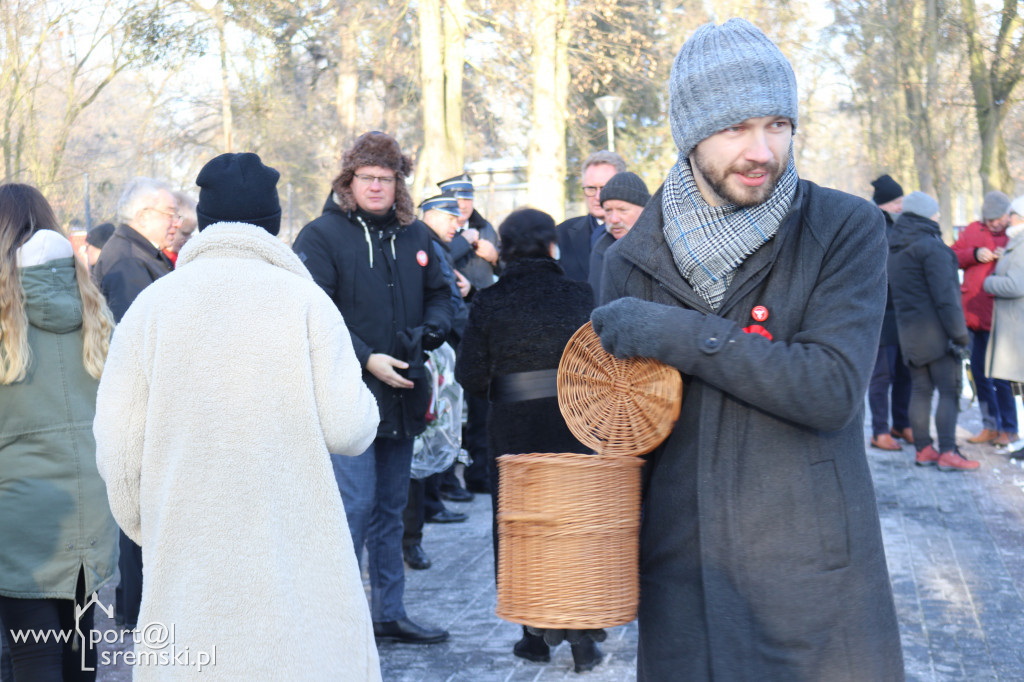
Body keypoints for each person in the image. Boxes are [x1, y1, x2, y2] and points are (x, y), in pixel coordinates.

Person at [589, 19, 904, 680]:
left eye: (778, 125)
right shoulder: (630, 260)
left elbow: (830, 388)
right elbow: (628, 433)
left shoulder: (844, 228)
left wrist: (675, 334)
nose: (762, 150)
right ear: (692, 132)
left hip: (813, 584)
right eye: (736, 129)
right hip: (685, 582)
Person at [93, 153, 383, 679]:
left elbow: (116, 439)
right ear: (272, 225)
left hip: (188, 543)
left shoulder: (154, 306)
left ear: (204, 219)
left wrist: (148, 523)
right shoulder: (308, 302)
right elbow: (350, 428)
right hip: (294, 545)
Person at [292, 131, 453, 644]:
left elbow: (442, 295)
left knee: (390, 508)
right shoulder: (321, 236)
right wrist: (366, 358)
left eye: (387, 178)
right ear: (349, 180)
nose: (378, 187)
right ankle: (336, 621)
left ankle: (389, 612)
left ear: (399, 182)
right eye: (368, 178)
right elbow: (315, 312)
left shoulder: (415, 236)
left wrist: (430, 332)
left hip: (403, 389)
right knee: (352, 507)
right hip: (347, 393)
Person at [454, 208, 599, 672]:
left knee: (521, 527)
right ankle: (583, 636)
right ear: (551, 245)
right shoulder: (580, 295)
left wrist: (507, 394)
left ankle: (532, 635)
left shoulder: (490, 303)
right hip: (574, 423)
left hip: (515, 429)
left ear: (508, 249)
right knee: (574, 525)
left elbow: (470, 373)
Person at [0, 183, 119, 681]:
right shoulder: (96, 310)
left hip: (20, 511)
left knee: (32, 654)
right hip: (91, 506)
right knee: (81, 647)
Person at [90, 177, 179, 631]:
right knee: (139, 513)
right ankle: (138, 610)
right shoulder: (127, 261)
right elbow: (140, 338)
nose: (176, 222)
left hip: (146, 403)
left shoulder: (140, 254)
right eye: (170, 214)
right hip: (142, 406)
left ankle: (140, 607)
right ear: (143, 216)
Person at [402, 194, 470, 571]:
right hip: (404, 355)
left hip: (432, 353)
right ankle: (408, 535)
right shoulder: (420, 241)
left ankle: (413, 536)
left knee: (425, 443)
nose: (456, 225)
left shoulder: (432, 245)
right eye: (450, 217)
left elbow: (443, 298)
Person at [887, 192, 978, 470]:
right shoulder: (932, 247)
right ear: (927, 215)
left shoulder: (896, 247)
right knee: (949, 392)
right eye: (936, 212)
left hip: (909, 333)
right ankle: (948, 451)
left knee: (921, 390)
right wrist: (960, 335)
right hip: (938, 334)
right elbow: (946, 297)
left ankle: (924, 449)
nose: (938, 216)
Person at [437, 172, 498, 497]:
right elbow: (441, 255)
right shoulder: (438, 229)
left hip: (481, 325)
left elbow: (502, 273)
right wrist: (465, 241)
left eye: (468, 200)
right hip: (449, 330)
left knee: (480, 403)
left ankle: (478, 472)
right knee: (447, 404)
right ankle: (446, 477)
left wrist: (494, 256)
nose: (463, 206)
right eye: (457, 201)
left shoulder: (487, 228)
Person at [953, 190, 1019, 446]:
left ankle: (1009, 427)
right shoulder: (972, 230)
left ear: (1007, 214)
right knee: (979, 374)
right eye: (989, 219)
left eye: (997, 218)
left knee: (1002, 377)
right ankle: (989, 425)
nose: (994, 223)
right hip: (973, 317)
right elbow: (952, 256)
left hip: (1000, 318)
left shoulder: (1014, 236)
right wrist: (974, 253)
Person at [868, 174, 914, 450]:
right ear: (885, 203)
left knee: (904, 372)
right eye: (897, 201)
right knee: (881, 376)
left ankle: (901, 423)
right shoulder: (873, 226)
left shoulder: (901, 226)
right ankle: (879, 430)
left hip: (904, 314)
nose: (900, 205)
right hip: (882, 314)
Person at [557, 150, 626, 283]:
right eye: (591, 188)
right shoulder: (561, 234)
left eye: (605, 188)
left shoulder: (641, 233)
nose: (598, 197)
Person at [983, 195, 1024, 395]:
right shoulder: (1016, 242)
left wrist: (989, 282)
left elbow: (1016, 285)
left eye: (1012, 215)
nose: (1008, 218)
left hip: (1018, 332)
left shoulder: (1021, 244)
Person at [588, 170, 650, 300]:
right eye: (608, 211)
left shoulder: (666, 242)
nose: (614, 219)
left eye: (623, 210)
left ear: (645, 210)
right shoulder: (601, 248)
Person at [162, 190, 198, 266]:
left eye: (190, 234)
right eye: (184, 233)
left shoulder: (184, 258)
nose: (188, 239)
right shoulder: (162, 258)